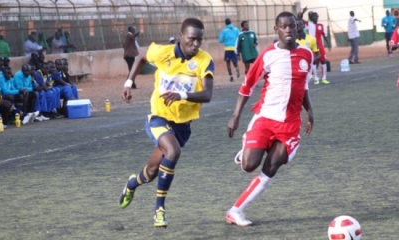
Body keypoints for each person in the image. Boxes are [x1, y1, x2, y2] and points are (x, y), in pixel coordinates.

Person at [119, 18, 215, 228]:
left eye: (200, 40)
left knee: (152, 171)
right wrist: (128, 82)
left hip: (182, 125)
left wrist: (181, 95)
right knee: (172, 151)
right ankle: (159, 210)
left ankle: (131, 184)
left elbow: (207, 94)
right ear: (181, 36)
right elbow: (142, 56)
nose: (196, 44)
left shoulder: (204, 60)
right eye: (192, 39)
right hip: (158, 117)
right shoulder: (164, 52)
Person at [225, 11, 314, 226]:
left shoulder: (307, 55)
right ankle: (248, 147)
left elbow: (304, 87)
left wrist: (310, 111)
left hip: (290, 123)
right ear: (277, 29)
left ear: (297, 27)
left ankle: (235, 211)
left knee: (272, 166)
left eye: (292, 26)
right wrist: (235, 116)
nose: (288, 30)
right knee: (248, 166)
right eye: (283, 26)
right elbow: (246, 87)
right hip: (265, 118)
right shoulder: (268, 55)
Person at [307, 12, 331, 84]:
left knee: (323, 61)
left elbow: (324, 35)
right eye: (314, 16)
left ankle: (324, 78)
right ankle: (316, 78)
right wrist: (305, 13)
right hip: (313, 46)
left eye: (317, 16)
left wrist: (328, 43)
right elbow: (300, 19)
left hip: (321, 46)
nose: (316, 18)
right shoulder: (308, 25)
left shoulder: (321, 25)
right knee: (314, 62)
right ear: (311, 18)